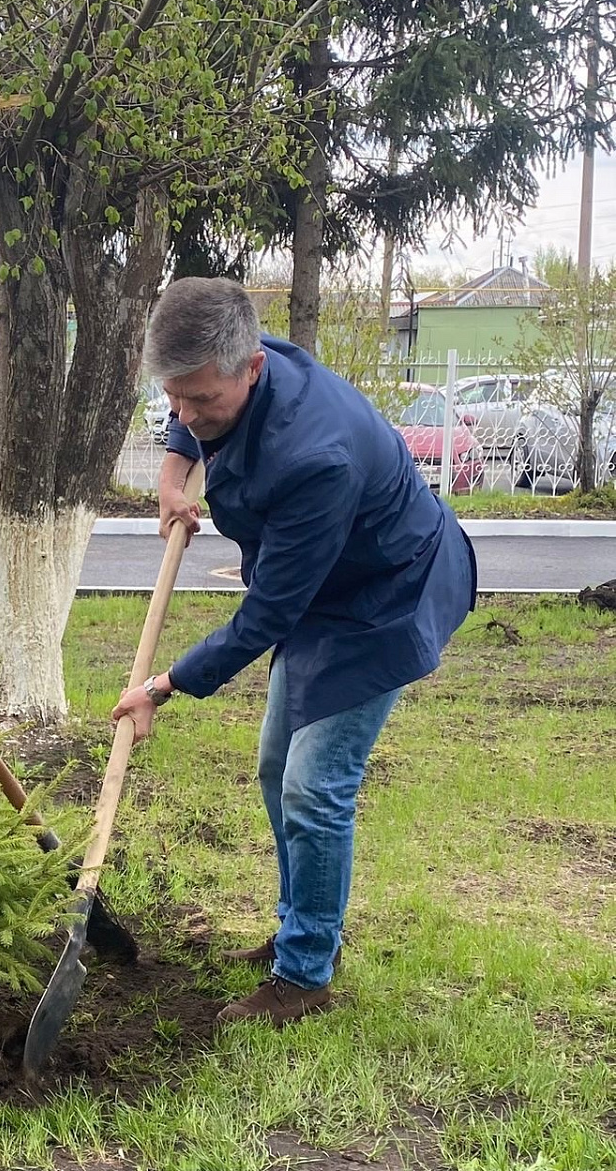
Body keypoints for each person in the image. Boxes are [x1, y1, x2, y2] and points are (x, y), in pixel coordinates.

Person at [112, 278, 476, 1025]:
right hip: (323, 588)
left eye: (199, 403)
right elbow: (194, 416)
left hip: (384, 598)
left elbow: (270, 611)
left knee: (314, 785)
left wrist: (164, 684)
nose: (184, 415)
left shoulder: (317, 456)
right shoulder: (234, 362)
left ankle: (304, 975)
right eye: (172, 399)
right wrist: (172, 475)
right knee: (276, 767)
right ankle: (298, 927)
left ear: (250, 369)